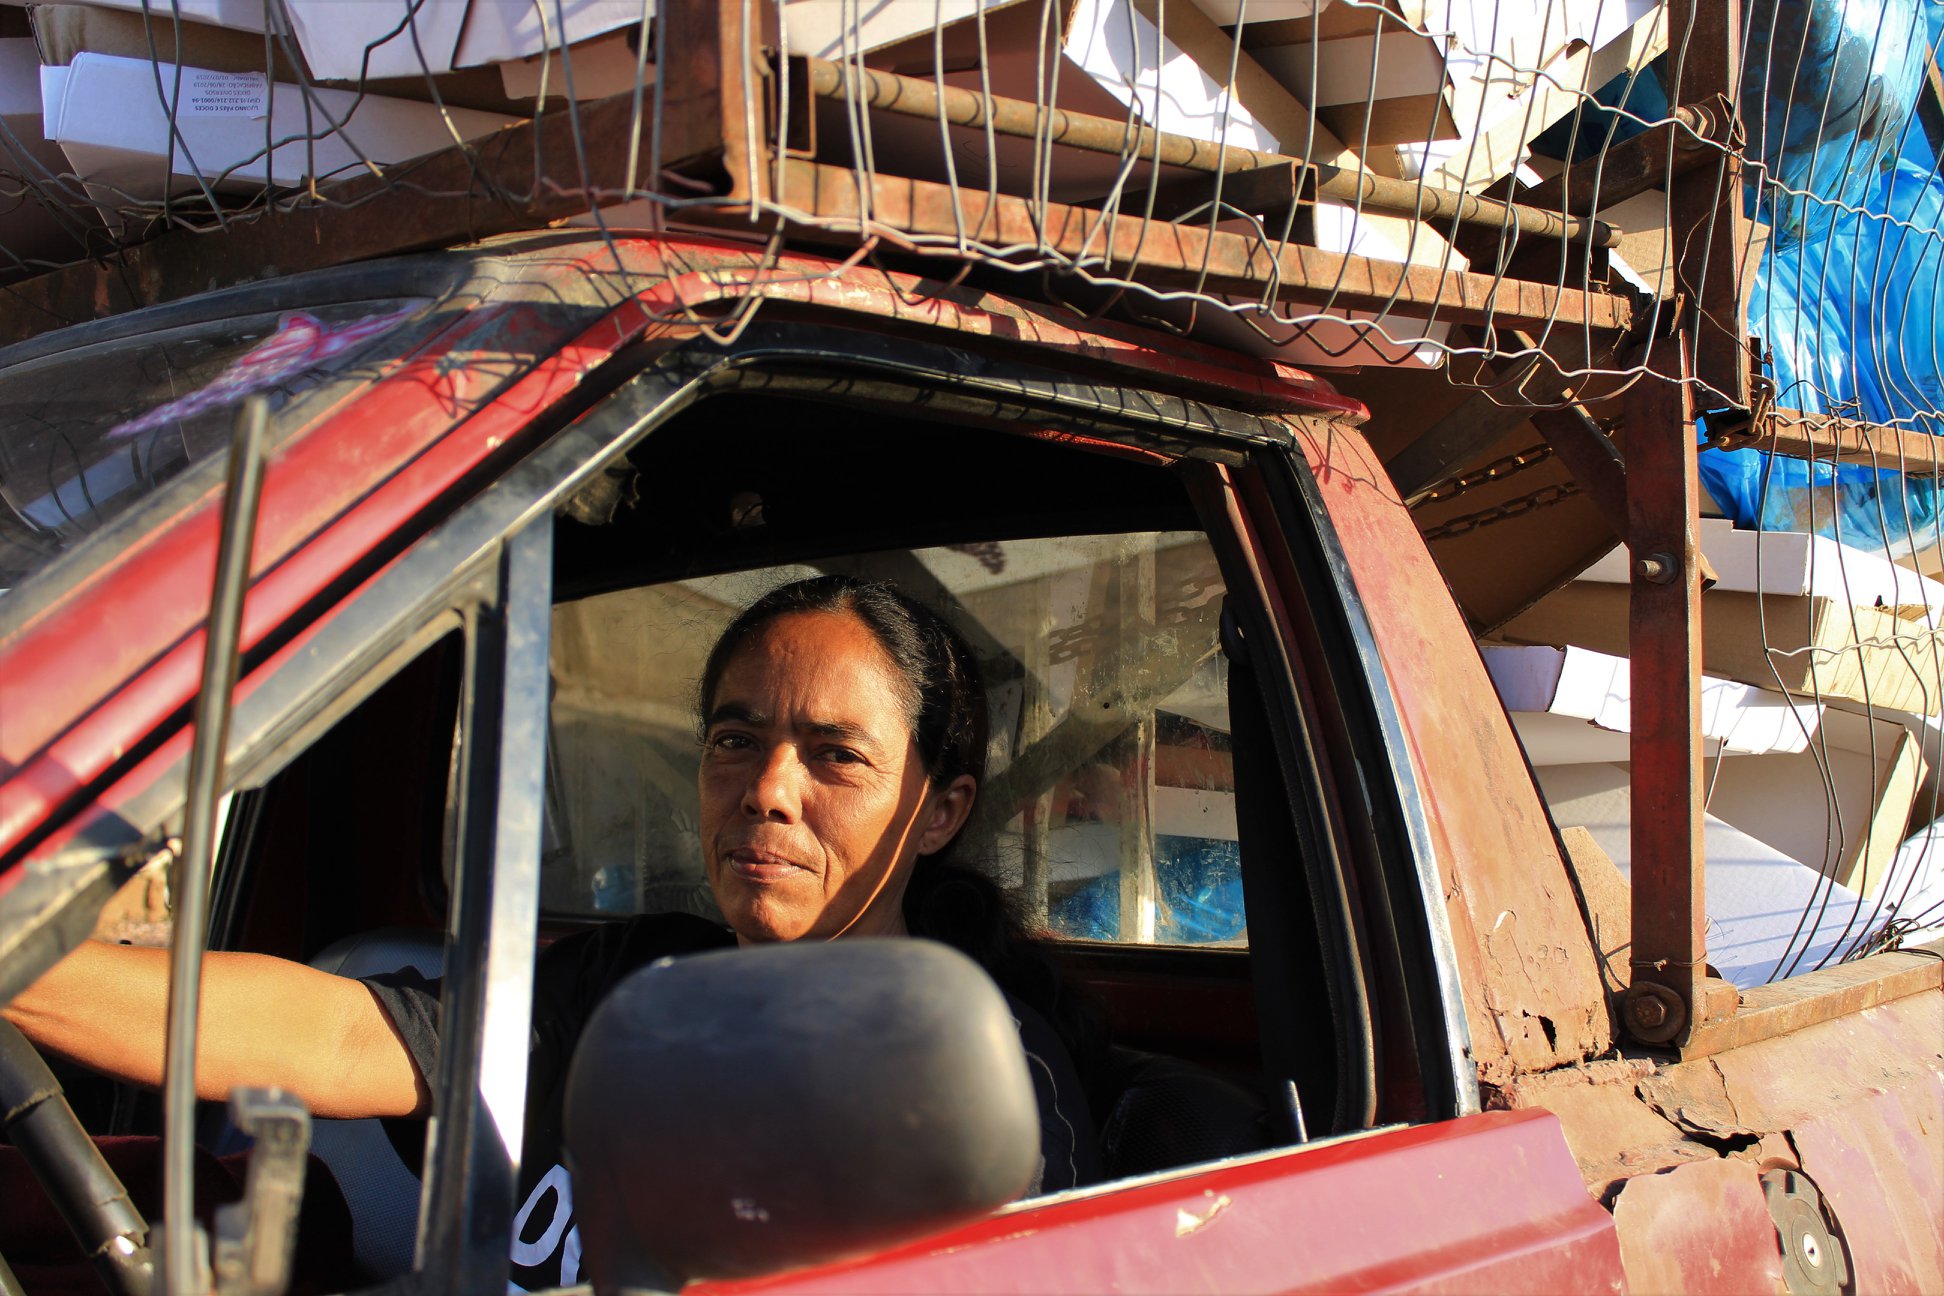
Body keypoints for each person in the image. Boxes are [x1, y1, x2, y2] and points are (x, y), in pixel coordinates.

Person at [4, 576, 1101, 1290]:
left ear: (941, 810)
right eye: (735, 737)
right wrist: (18, 953)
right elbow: (347, 1038)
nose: (767, 789)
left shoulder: (974, 1070)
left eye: (834, 755)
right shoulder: (643, 982)